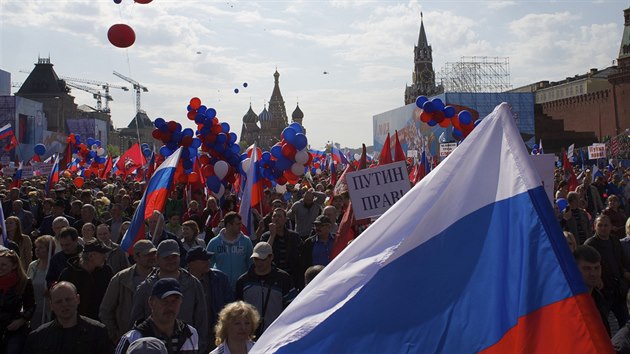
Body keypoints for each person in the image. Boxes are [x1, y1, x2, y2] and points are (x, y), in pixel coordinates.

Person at [130, 239, 208, 352]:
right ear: (157, 259)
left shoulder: (193, 284)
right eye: (166, 258)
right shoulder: (145, 287)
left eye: (174, 257)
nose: (171, 261)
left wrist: (199, 347)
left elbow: (202, 319)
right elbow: (136, 321)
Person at [24, 281, 113, 354]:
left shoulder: (97, 332)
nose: (64, 304)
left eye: (68, 299)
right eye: (59, 301)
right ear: (51, 305)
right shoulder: (38, 337)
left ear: (77, 299)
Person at [117, 278, 199, 354]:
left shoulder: (190, 334)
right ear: (151, 302)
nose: (170, 306)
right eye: (165, 301)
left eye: (174, 301)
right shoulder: (132, 338)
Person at [100, 240, 158, 344]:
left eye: (154, 254)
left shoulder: (161, 277)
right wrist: (116, 337)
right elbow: (105, 311)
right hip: (129, 340)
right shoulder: (120, 279)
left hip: (156, 340)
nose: (152, 257)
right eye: (147, 254)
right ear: (136, 257)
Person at [235, 242, 296, 336]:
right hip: (250, 335)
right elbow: (237, 310)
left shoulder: (283, 279)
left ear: (271, 257)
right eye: (256, 259)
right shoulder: (243, 281)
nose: (259, 263)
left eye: (262, 259)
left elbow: (291, 308)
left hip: (276, 333)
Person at [585, 215, 630, 329]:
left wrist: (624, 272)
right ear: (594, 227)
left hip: (618, 288)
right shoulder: (590, 244)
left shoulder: (615, 240)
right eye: (600, 225)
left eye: (606, 225)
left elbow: (620, 260)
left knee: (624, 320)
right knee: (602, 324)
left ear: (610, 227)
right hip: (602, 290)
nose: (603, 228)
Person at [185, 246, 233, 350]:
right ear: (191, 263)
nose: (208, 262)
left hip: (215, 334)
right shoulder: (182, 282)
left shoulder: (220, 279)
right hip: (190, 335)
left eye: (208, 259)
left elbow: (229, 306)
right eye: (203, 260)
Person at [58, 239, 114, 320]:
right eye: (102, 254)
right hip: (76, 323)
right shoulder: (68, 274)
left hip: (101, 323)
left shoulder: (106, 271)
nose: (105, 257)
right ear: (91, 256)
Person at [207, 212, 253, 289]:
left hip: (241, 287)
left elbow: (251, 263)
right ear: (229, 225)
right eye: (238, 224)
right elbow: (208, 264)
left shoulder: (246, 241)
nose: (241, 226)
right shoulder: (214, 242)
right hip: (221, 288)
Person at [0, 249, 34, 353]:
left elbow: (31, 306)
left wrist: (21, 321)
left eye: (3, 265)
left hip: (14, 329)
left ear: (14, 266)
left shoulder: (24, 282)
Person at [260, 208, 303, 289]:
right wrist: (272, 235)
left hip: (292, 278)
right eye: (274, 216)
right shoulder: (266, 236)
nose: (276, 218)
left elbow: (301, 258)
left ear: (285, 219)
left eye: (279, 216)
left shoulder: (294, 236)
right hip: (273, 277)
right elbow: (264, 253)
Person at [573, 245, 610, 335]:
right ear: (574, 269)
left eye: (596, 268)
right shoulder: (570, 304)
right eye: (587, 268)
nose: (593, 273)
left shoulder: (599, 298)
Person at [27, 235, 55, 329]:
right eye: (36, 247)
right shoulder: (33, 265)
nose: (37, 250)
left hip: (49, 309)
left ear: (49, 249)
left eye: (41, 247)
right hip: (34, 309)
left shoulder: (54, 266)